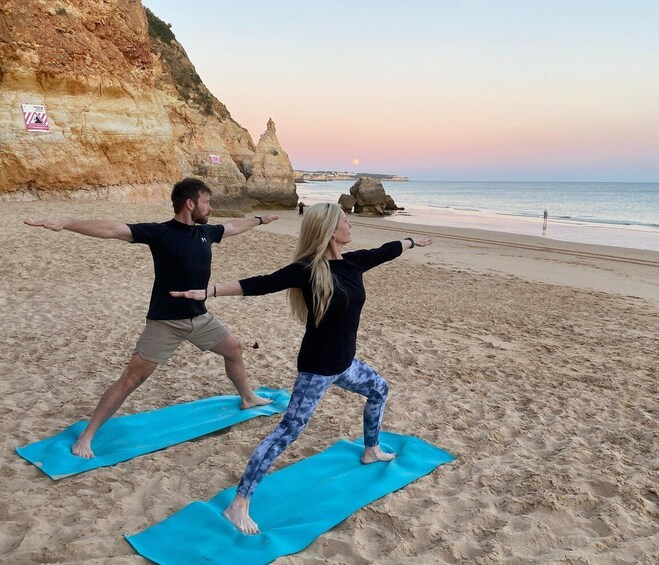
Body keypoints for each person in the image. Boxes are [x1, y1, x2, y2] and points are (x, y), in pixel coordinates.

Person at [171, 202, 433, 534]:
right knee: (287, 433)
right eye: (344, 221)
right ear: (329, 230)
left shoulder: (353, 262)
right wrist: (208, 292)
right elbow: (261, 283)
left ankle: (371, 449)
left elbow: (386, 250)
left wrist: (411, 241)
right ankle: (238, 505)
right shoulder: (308, 270)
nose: (350, 225)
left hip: (345, 364)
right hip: (318, 370)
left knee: (379, 390)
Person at [24, 177, 279, 459]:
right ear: (190, 203)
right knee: (131, 379)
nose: (210, 208)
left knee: (233, 348)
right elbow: (112, 229)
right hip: (165, 323)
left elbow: (232, 227)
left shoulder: (206, 232)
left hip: (199, 317)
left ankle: (247, 397)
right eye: (207, 202)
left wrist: (259, 219)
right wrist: (66, 224)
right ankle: (87, 436)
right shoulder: (161, 233)